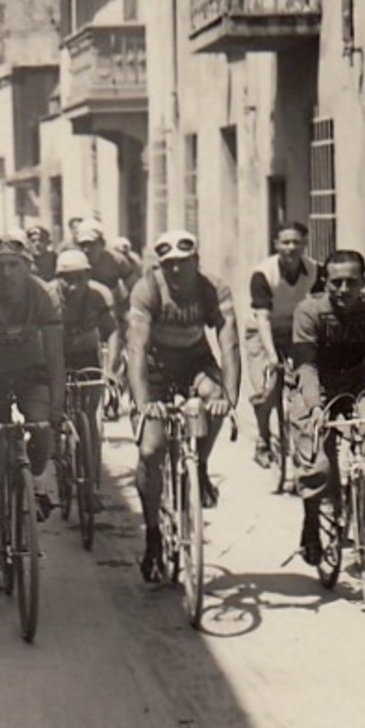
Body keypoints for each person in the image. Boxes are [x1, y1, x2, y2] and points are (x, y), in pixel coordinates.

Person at [127, 229, 241, 581]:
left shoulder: (213, 289)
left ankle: (200, 464)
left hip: (194, 362)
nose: (176, 271)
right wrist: (145, 403)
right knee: (150, 451)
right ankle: (153, 536)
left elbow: (229, 344)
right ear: (160, 266)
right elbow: (137, 350)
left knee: (215, 397)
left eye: (183, 263)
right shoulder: (147, 289)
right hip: (156, 369)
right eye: (169, 265)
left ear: (196, 261)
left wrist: (230, 399)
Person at [0, 230, 65, 595]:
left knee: (42, 430)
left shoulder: (43, 295)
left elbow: (54, 356)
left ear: (26, 267)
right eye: (0, 266)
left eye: (14, 266)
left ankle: (37, 482)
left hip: (29, 370)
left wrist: (58, 407)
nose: (6, 274)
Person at [291, 250, 365, 566]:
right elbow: (306, 366)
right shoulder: (309, 311)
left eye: (351, 283)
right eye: (336, 282)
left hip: (359, 378)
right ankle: (312, 521)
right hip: (318, 382)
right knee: (318, 465)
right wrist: (315, 407)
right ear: (325, 282)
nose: (343, 289)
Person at [247, 222, 325, 471]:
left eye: (296, 242)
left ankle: (302, 442)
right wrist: (271, 356)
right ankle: (262, 439)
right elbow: (262, 318)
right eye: (285, 242)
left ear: (304, 243)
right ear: (276, 244)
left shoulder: (314, 270)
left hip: (296, 332)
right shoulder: (263, 273)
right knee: (267, 389)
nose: (291, 247)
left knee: (305, 384)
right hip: (263, 332)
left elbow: (319, 310)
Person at [51, 248, 119, 497]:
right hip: (55, 357)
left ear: (88, 276)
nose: (74, 285)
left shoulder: (98, 296)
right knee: (53, 412)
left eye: (80, 278)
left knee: (89, 419)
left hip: (87, 356)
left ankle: (91, 484)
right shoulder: (47, 296)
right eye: (67, 279)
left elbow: (111, 332)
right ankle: (57, 453)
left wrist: (110, 369)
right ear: (58, 277)